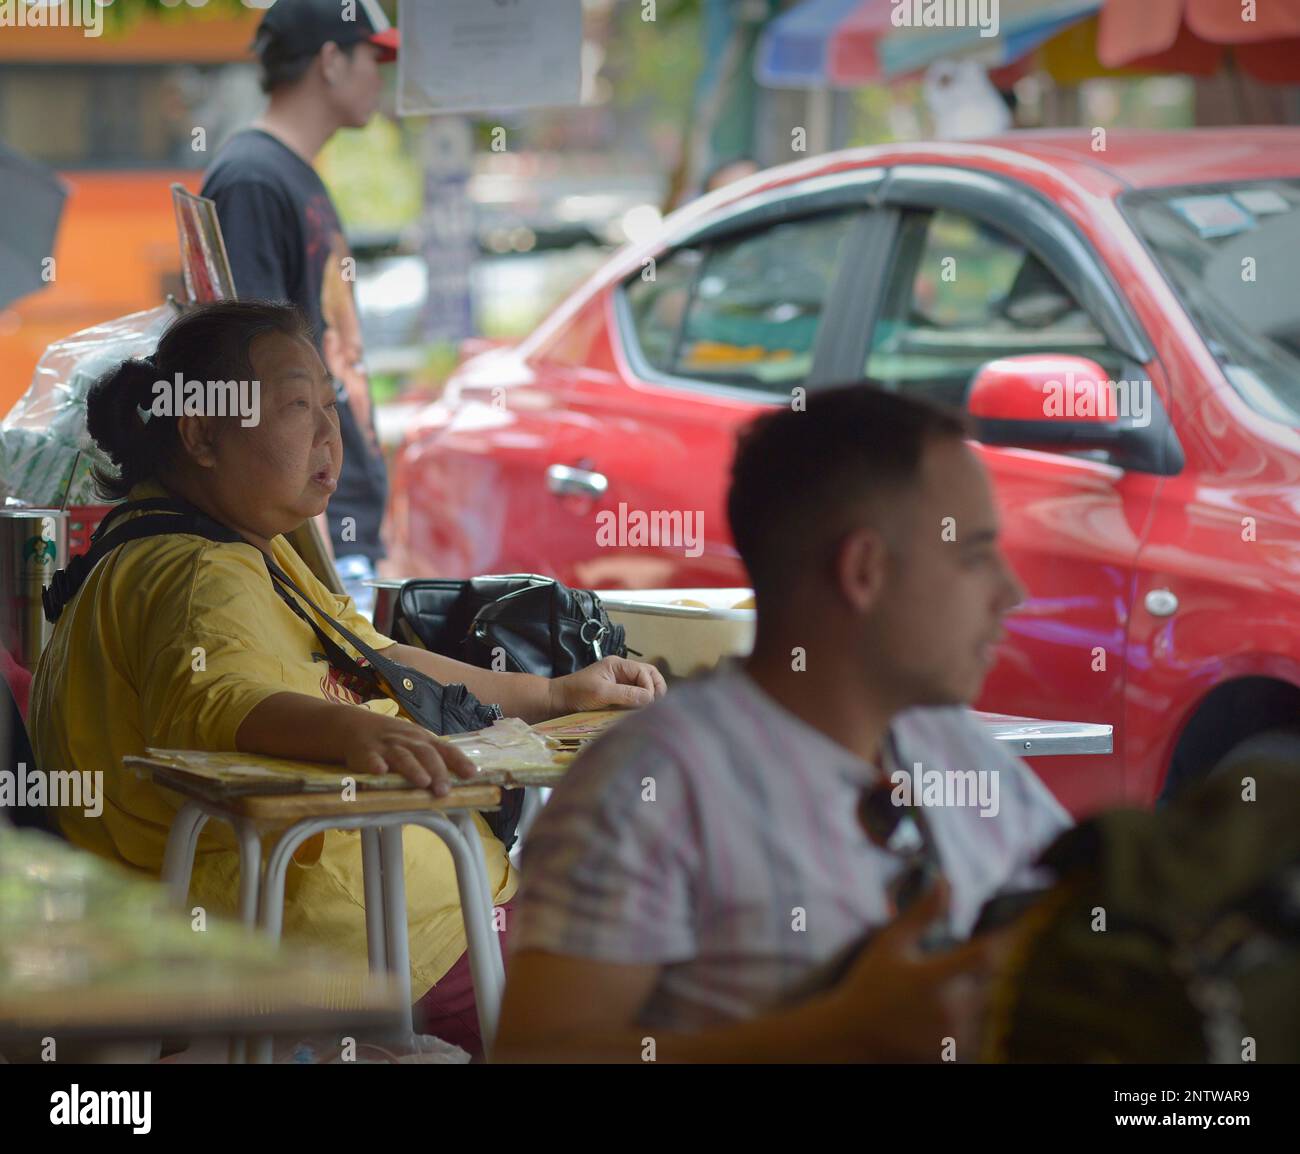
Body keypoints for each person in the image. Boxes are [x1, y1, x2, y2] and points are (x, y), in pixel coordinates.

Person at [28, 301, 666, 1060]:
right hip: (329, 920)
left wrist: (561, 695)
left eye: (331, 408)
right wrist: (358, 730)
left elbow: (373, 654)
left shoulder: (228, 544)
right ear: (200, 433)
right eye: (300, 408)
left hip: (357, 904)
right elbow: (219, 703)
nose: (332, 438)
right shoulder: (199, 572)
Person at [496, 385, 1071, 1062]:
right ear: (864, 571)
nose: (1011, 592)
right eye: (974, 554)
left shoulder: (955, 749)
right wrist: (834, 1035)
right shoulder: (650, 786)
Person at [200, 0, 399, 618]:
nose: (382, 76)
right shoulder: (252, 181)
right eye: (374, 57)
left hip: (339, 525)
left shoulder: (289, 174)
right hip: (312, 535)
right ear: (331, 61)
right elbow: (252, 379)